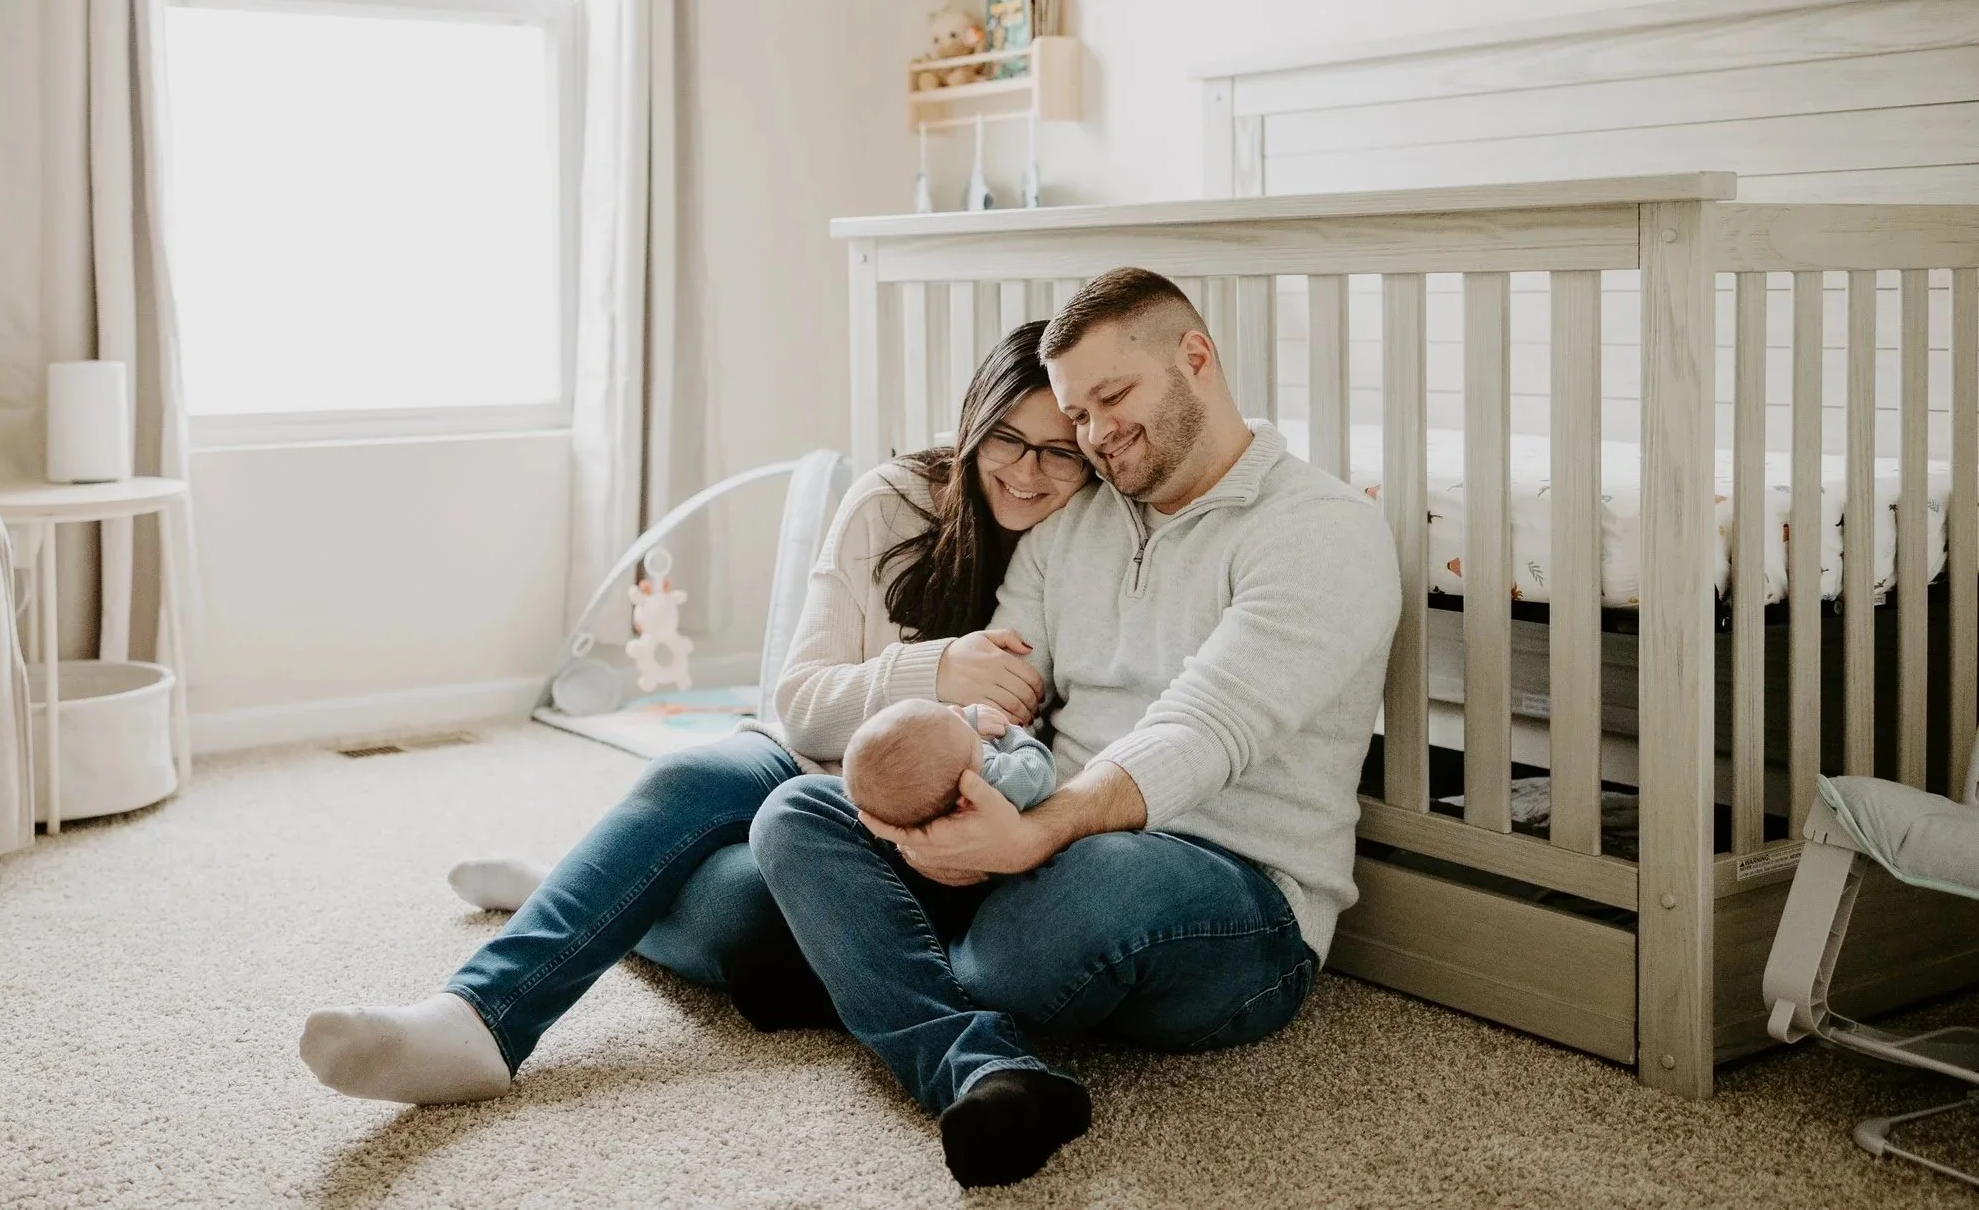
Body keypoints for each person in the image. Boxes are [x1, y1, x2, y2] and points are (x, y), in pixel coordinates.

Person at [294, 320, 1093, 1106]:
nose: (1028, 469)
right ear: (973, 426)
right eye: (1006, 438)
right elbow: (803, 705)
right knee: (689, 776)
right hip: (807, 760)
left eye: (1060, 449)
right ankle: (477, 1018)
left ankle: (567, 883)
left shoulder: (1087, 545)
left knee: (736, 917)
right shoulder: (894, 501)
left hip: (907, 834)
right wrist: (939, 667)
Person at [750, 268, 1402, 1189]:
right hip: (1043, 839)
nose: (1095, 432)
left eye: (1113, 396)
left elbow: (1201, 731)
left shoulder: (1320, 529)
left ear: (1197, 359)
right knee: (796, 814)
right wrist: (958, 778)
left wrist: (1029, 837)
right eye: (1078, 413)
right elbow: (1011, 690)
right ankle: (983, 1068)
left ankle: (869, 973)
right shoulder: (1075, 524)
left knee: (1069, 901)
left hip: (1233, 890)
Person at [843, 699, 1056, 828]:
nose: (957, 710)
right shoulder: (996, 777)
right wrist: (1010, 733)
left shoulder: (932, 790)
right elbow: (1040, 767)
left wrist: (969, 721)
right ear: (964, 800)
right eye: (958, 720)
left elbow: (941, 737)